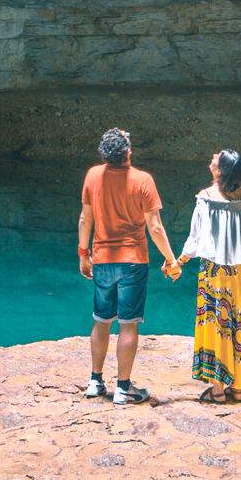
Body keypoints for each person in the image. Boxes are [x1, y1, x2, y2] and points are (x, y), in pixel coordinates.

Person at [77, 127, 177, 404]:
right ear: (128, 154)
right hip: (133, 261)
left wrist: (83, 254)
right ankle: (123, 387)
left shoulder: (93, 175)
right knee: (128, 325)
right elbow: (154, 226)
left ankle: (95, 382)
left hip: (102, 260)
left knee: (101, 320)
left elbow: (86, 220)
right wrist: (170, 259)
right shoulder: (142, 180)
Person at [178, 148, 241, 402]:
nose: (213, 155)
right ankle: (238, 387)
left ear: (219, 170)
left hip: (214, 273)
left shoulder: (206, 197)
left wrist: (179, 261)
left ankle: (217, 390)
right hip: (239, 272)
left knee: (217, 326)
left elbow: (196, 237)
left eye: (218, 157)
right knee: (238, 324)